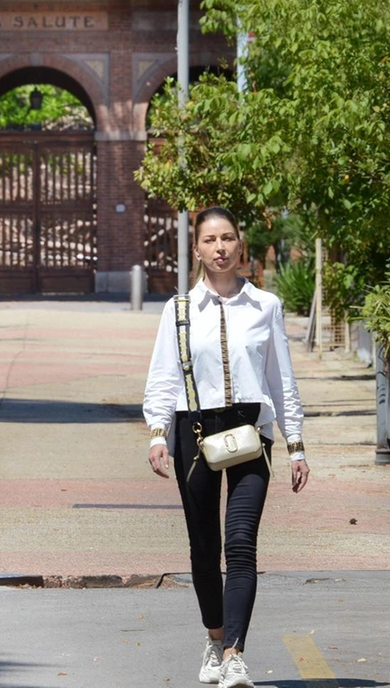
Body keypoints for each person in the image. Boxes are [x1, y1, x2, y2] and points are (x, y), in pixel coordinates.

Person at [143, 206, 309, 687]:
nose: (220, 248)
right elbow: (162, 377)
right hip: (192, 431)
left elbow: (283, 382)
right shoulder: (178, 310)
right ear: (196, 249)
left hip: (250, 433)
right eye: (210, 240)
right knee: (203, 546)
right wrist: (158, 434)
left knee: (240, 543)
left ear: (241, 246)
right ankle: (214, 639)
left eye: (228, 238)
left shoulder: (267, 307)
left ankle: (235, 651)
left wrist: (295, 444)